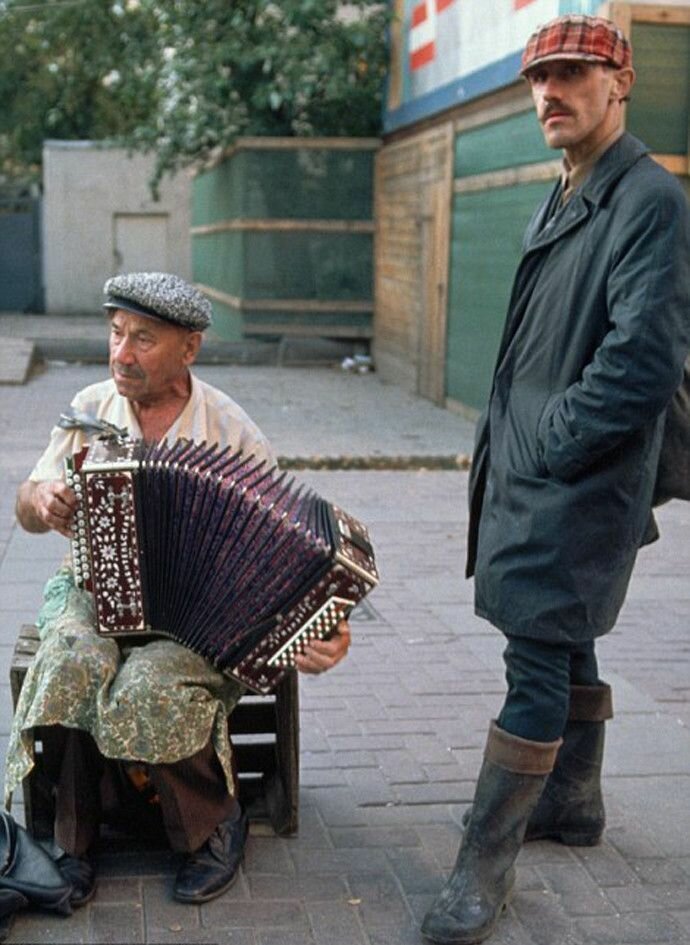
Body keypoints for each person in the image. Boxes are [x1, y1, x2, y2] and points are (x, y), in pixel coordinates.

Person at [422, 15, 690, 945]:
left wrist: (549, 443)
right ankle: (573, 802)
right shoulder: (569, 188)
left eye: (573, 74)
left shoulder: (646, 197)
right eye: (539, 78)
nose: (550, 93)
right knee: (559, 633)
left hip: (574, 476)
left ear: (620, 84)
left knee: (533, 657)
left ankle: (481, 865)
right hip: (538, 464)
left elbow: (644, 359)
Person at [8, 271, 351, 908]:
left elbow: (283, 551)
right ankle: (72, 843)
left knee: (149, 685)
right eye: (115, 335)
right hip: (91, 583)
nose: (122, 354)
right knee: (75, 660)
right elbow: (25, 507)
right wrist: (42, 499)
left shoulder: (231, 431)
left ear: (188, 348)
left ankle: (214, 829)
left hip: (194, 618)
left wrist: (322, 629)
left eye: (143, 339)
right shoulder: (88, 411)